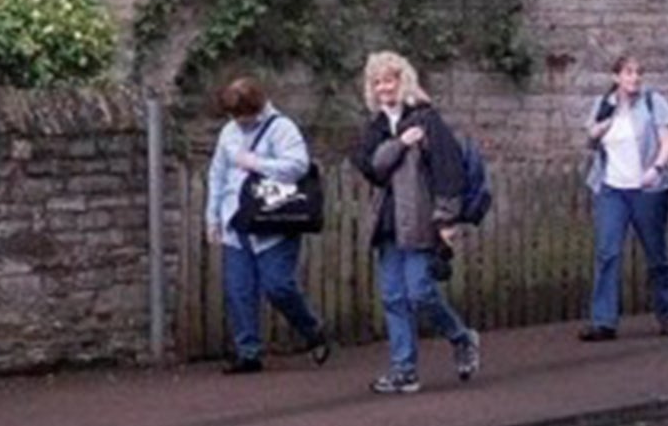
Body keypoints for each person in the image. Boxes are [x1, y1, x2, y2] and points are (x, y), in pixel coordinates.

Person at [350, 51, 479, 395]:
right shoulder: (375, 127)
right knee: (393, 297)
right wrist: (399, 143)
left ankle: (461, 337)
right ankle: (404, 369)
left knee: (420, 292)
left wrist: (447, 219)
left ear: (402, 80)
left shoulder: (427, 119)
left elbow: (448, 169)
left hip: (421, 219)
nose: (383, 89)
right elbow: (371, 166)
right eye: (376, 82)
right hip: (388, 221)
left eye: (389, 80)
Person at [204, 77, 330, 374]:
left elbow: (298, 165)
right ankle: (248, 352)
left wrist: (256, 163)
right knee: (239, 290)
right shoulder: (228, 132)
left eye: (243, 114)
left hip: (275, 221)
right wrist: (212, 217)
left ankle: (312, 330)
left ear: (257, 107)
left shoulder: (281, 128)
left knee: (278, 286)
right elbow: (217, 175)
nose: (238, 121)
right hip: (237, 222)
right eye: (233, 116)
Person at [579, 55, 668, 341]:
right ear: (616, 77)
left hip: (648, 188)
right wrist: (601, 127)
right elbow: (591, 139)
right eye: (628, 73)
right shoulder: (604, 104)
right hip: (612, 188)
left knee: (656, 254)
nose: (634, 78)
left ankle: (667, 314)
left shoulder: (652, 102)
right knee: (607, 252)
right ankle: (603, 321)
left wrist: (657, 168)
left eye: (638, 73)